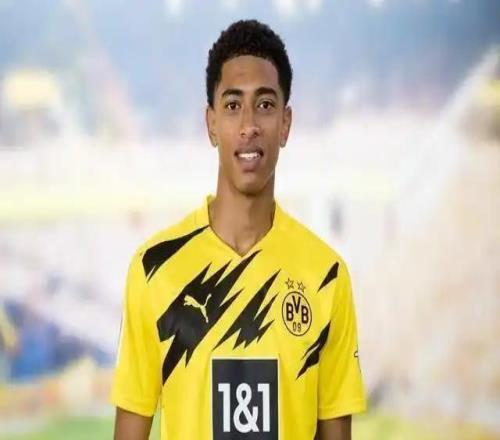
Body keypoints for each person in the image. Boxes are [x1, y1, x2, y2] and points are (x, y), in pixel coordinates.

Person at [111, 19, 367, 440]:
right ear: (211, 123)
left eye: (264, 104)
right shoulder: (154, 269)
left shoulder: (326, 276)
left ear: (285, 123)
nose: (249, 125)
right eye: (233, 105)